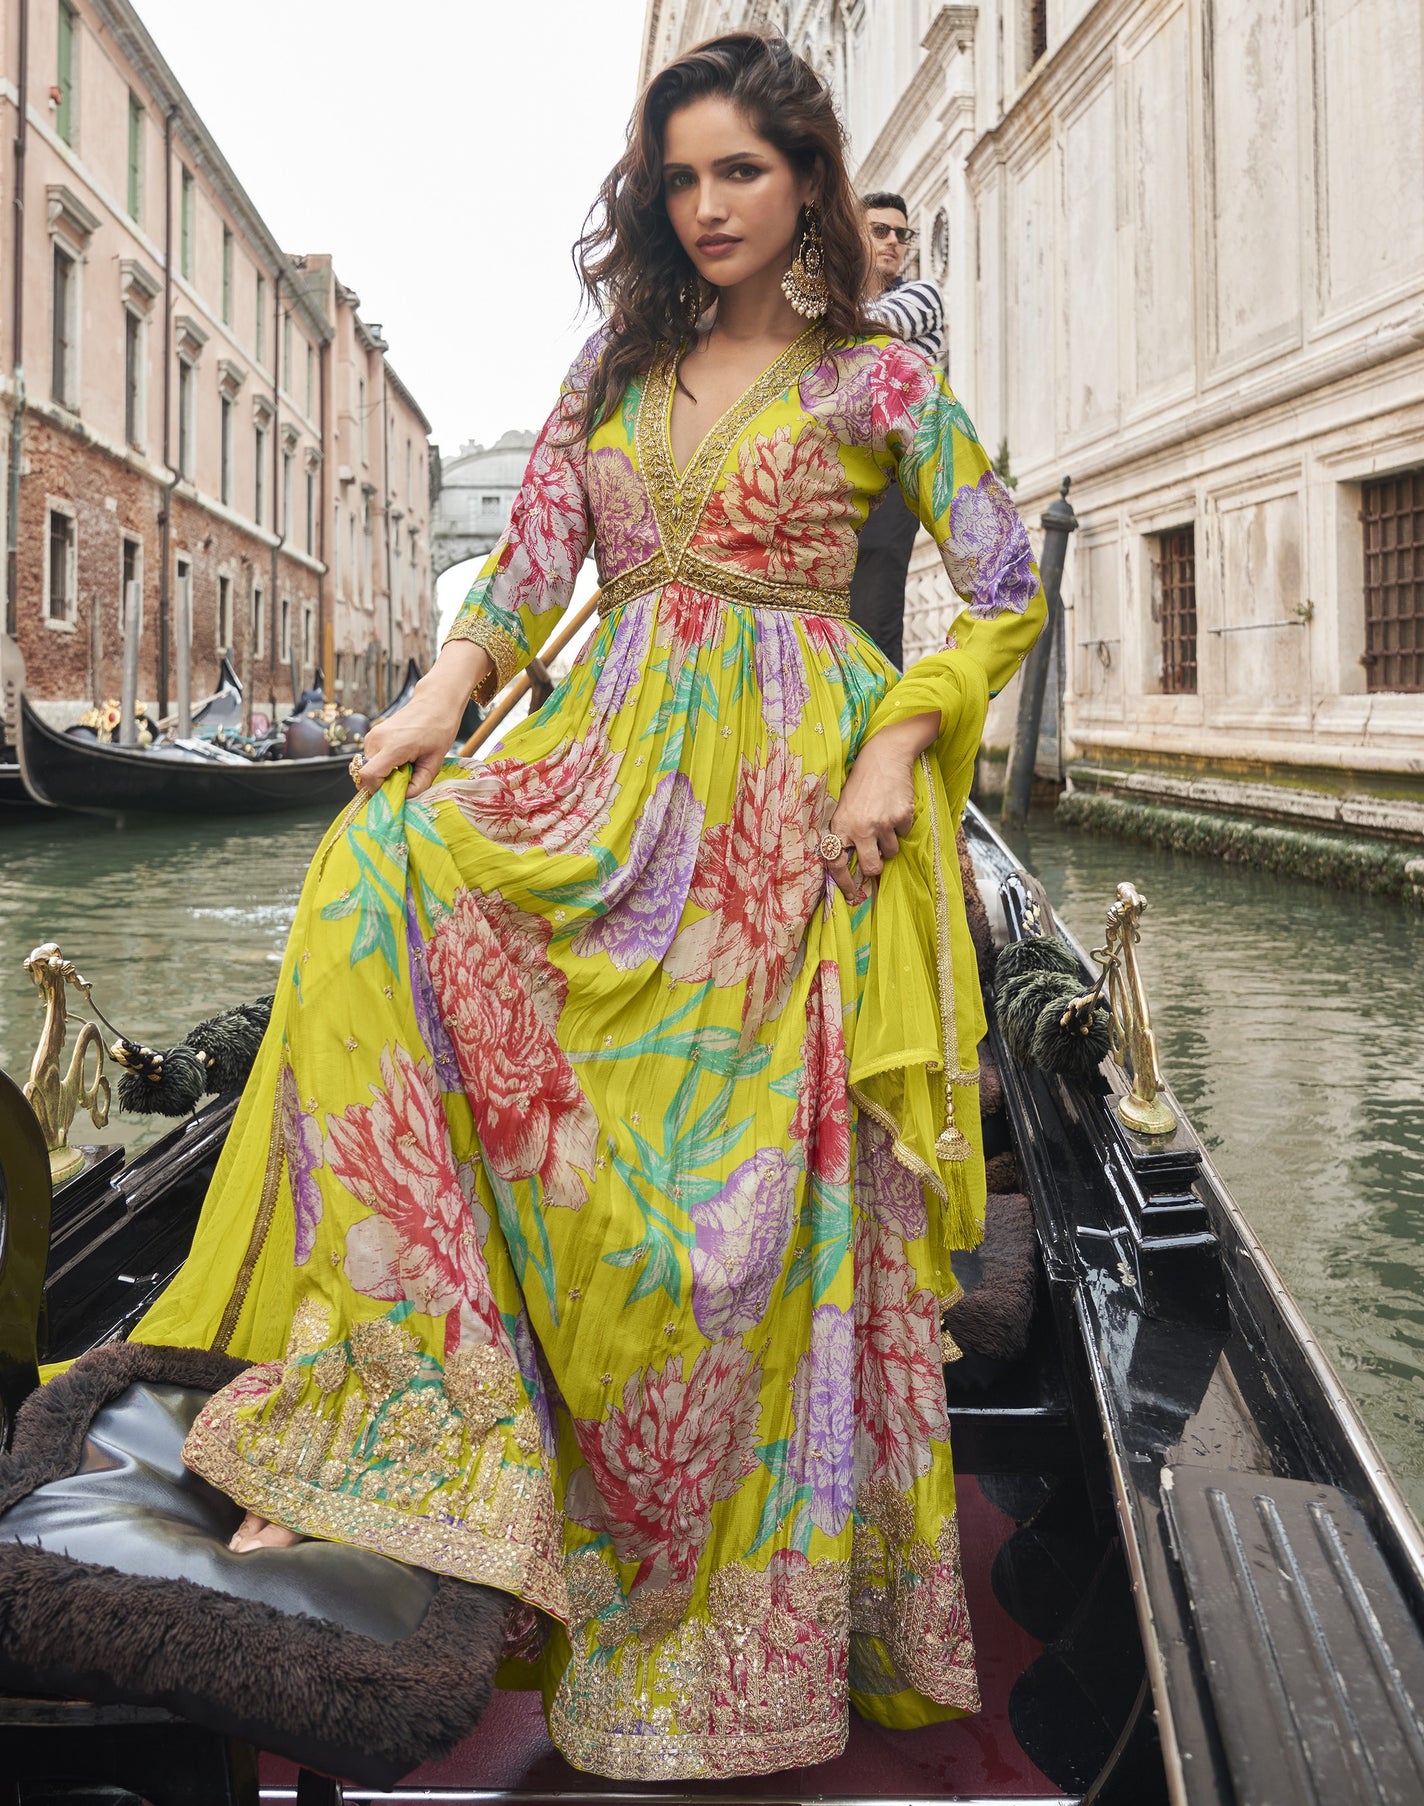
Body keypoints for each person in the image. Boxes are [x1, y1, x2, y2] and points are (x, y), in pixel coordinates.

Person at [134, 32, 1044, 1783]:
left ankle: (734, 1648)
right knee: (377, 878)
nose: (707, 209)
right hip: (600, 788)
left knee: (728, 1242)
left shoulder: (884, 387)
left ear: (808, 184)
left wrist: (903, 740)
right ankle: (410, 1430)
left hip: (789, 823)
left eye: (741, 175)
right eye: (680, 176)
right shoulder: (614, 364)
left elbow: (1002, 592)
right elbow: (532, 559)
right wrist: (432, 701)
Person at [847, 191, 946, 669]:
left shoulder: (921, 297)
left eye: (900, 234)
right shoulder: (834, 300)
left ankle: (885, 736)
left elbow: (872, 324)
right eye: (879, 230)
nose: (892, 241)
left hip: (891, 469)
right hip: (836, 468)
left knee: (875, 613)